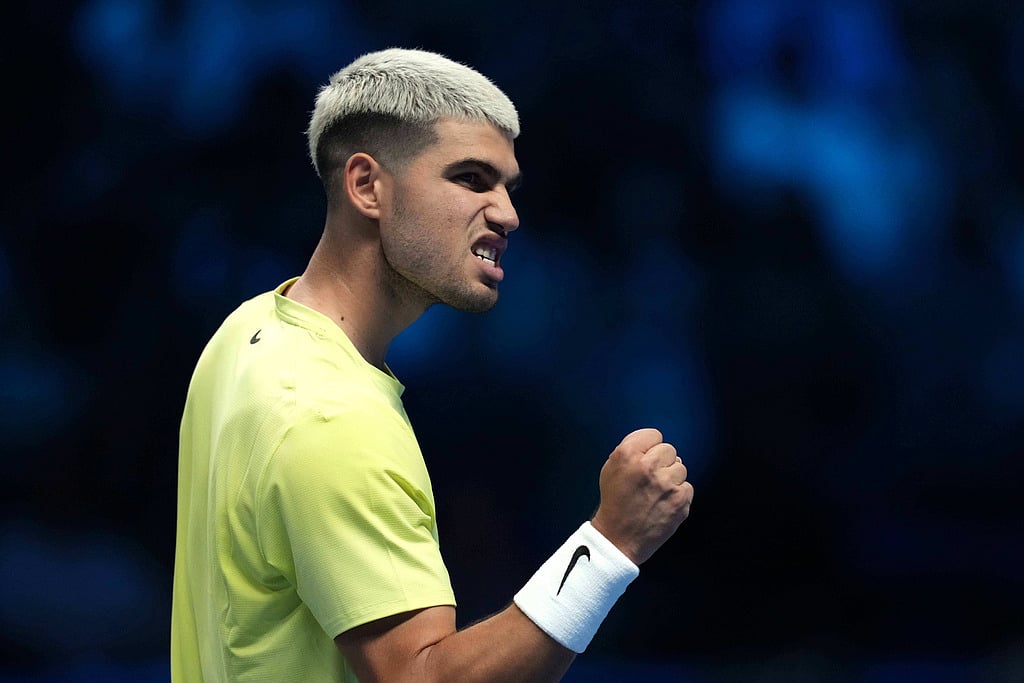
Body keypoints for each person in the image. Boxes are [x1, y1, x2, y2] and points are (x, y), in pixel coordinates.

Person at [171, 47, 693, 682]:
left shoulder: (248, 329)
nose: (507, 213)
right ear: (366, 186)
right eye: (471, 179)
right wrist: (611, 543)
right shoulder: (332, 417)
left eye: (508, 186)